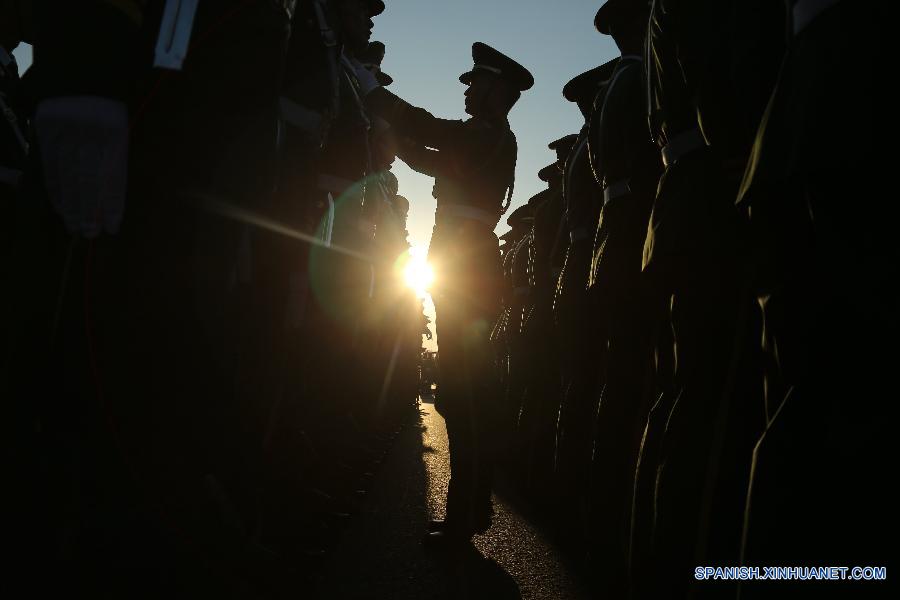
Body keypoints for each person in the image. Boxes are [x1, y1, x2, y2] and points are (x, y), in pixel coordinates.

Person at [353, 41, 533, 544]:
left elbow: (430, 134)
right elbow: (431, 158)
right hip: (469, 266)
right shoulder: (486, 139)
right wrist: (397, 135)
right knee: (465, 395)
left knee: (466, 395)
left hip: (469, 270)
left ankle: (465, 517)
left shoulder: (486, 134)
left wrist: (375, 96)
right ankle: (470, 510)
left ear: (497, 90)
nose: (469, 90)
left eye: (477, 82)